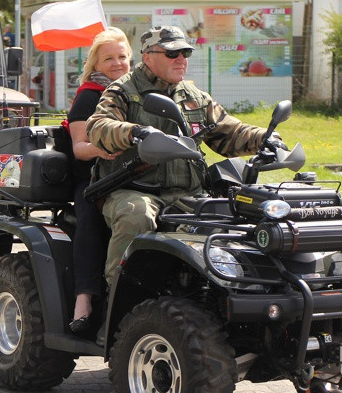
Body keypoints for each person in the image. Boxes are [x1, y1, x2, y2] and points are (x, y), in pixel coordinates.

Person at [86, 25, 286, 287]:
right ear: (147, 57)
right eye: (172, 53)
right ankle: (121, 295)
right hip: (133, 189)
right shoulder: (123, 91)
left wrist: (264, 138)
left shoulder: (194, 97)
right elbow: (98, 127)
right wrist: (135, 132)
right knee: (136, 214)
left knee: (228, 215)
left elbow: (229, 132)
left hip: (188, 192)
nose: (181, 59)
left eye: (185, 52)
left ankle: (221, 290)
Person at [65, 27, 131, 333]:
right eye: (109, 58)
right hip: (94, 180)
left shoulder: (139, 93)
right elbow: (79, 149)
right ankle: (85, 298)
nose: (117, 63)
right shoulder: (89, 96)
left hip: (134, 176)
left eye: (122, 56)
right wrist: (105, 148)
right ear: (95, 65)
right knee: (90, 217)